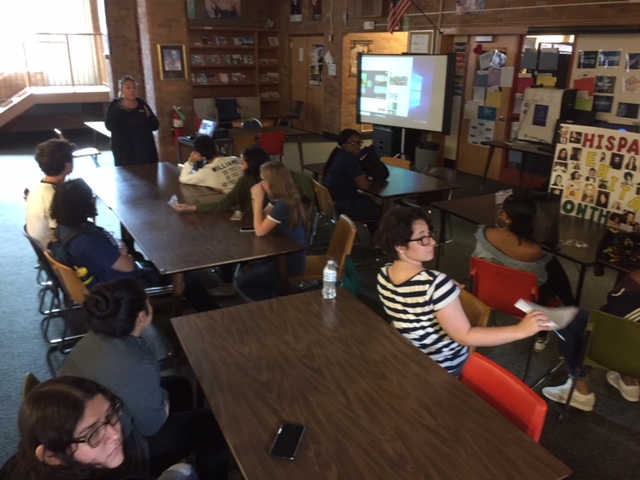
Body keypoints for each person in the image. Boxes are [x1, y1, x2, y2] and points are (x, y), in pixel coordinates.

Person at [58, 279, 228, 478]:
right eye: (148, 300)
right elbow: (150, 427)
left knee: (180, 385)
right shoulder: (135, 362)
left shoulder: (97, 334)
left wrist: (156, 400)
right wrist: (159, 402)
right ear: (141, 317)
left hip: (84, 431)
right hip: (118, 450)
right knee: (213, 425)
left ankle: (175, 455)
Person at [375, 207, 551, 376]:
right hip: (441, 366)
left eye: (430, 234)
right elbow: (465, 336)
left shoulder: (384, 273)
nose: (433, 242)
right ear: (400, 246)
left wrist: (442, 293)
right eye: (423, 239)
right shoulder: (434, 283)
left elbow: (410, 310)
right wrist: (521, 330)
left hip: (409, 356)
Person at [49, 179, 217, 310]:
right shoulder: (87, 241)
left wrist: (122, 252)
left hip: (102, 278)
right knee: (188, 278)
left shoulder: (64, 228)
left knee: (142, 258)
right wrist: (123, 252)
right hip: (119, 286)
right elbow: (128, 266)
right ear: (82, 204)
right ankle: (211, 315)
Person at [0, 376, 198, 480]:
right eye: (93, 434)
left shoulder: (18, 463)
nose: (116, 434)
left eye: (112, 414)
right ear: (51, 456)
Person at [472, 193, 575, 352]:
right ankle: (568, 315)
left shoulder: (483, 234)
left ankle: (569, 313)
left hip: (487, 295)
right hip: (522, 305)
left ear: (504, 215)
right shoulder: (533, 250)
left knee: (546, 269)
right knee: (552, 267)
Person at [542, 270, 640, 411]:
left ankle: (580, 389)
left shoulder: (633, 287)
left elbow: (605, 323)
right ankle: (628, 381)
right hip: (634, 361)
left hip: (612, 351)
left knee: (569, 319)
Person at [234, 161, 307, 302]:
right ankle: (270, 296)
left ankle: (271, 310)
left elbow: (260, 231)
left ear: (271, 182)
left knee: (243, 283)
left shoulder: (284, 204)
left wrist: (258, 198)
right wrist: (257, 201)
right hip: (280, 252)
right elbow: (261, 218)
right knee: (245, 268)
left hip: (290, 261)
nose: (260, 184)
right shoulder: (279, 199)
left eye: (262, 180)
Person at [173, 146, 270, 216]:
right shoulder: (272, 178)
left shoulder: (245, 180)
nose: (240, 167)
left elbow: (225, 204)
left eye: (243, 163)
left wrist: (191, 208)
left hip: (251, 219)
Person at [323, 129, 382, 234]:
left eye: (359, 143)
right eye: (352, 143)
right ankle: (380, 242)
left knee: (368, 200)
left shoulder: (339, 154)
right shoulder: (350, 160)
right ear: (343, 144)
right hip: (344, 205)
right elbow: (364, 186)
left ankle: (375, 241)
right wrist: (367, 180)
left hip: (332, 200)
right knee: (383, 211)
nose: (357, 146)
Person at [25, 139, 74, 247]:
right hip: (55, 253)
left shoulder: (37, 188)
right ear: (67, 165)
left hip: (42, 247)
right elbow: (62, 233)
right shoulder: (55, 196)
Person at [105, 76, 159, 167]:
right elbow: (109, 126)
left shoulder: (142, 104)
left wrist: (149, 116)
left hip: (144, 148)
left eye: (134, 87)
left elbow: (155, 125)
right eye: (128, 88)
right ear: (122, 91)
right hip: (124, 150)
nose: (132, 90)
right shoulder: (115, 106)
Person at [178, 135, 243, 194]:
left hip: (229, 203)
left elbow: (183, 178)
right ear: (216, 148)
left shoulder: (205, 172)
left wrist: (191, 162)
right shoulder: (236, 159)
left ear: (201, 156)